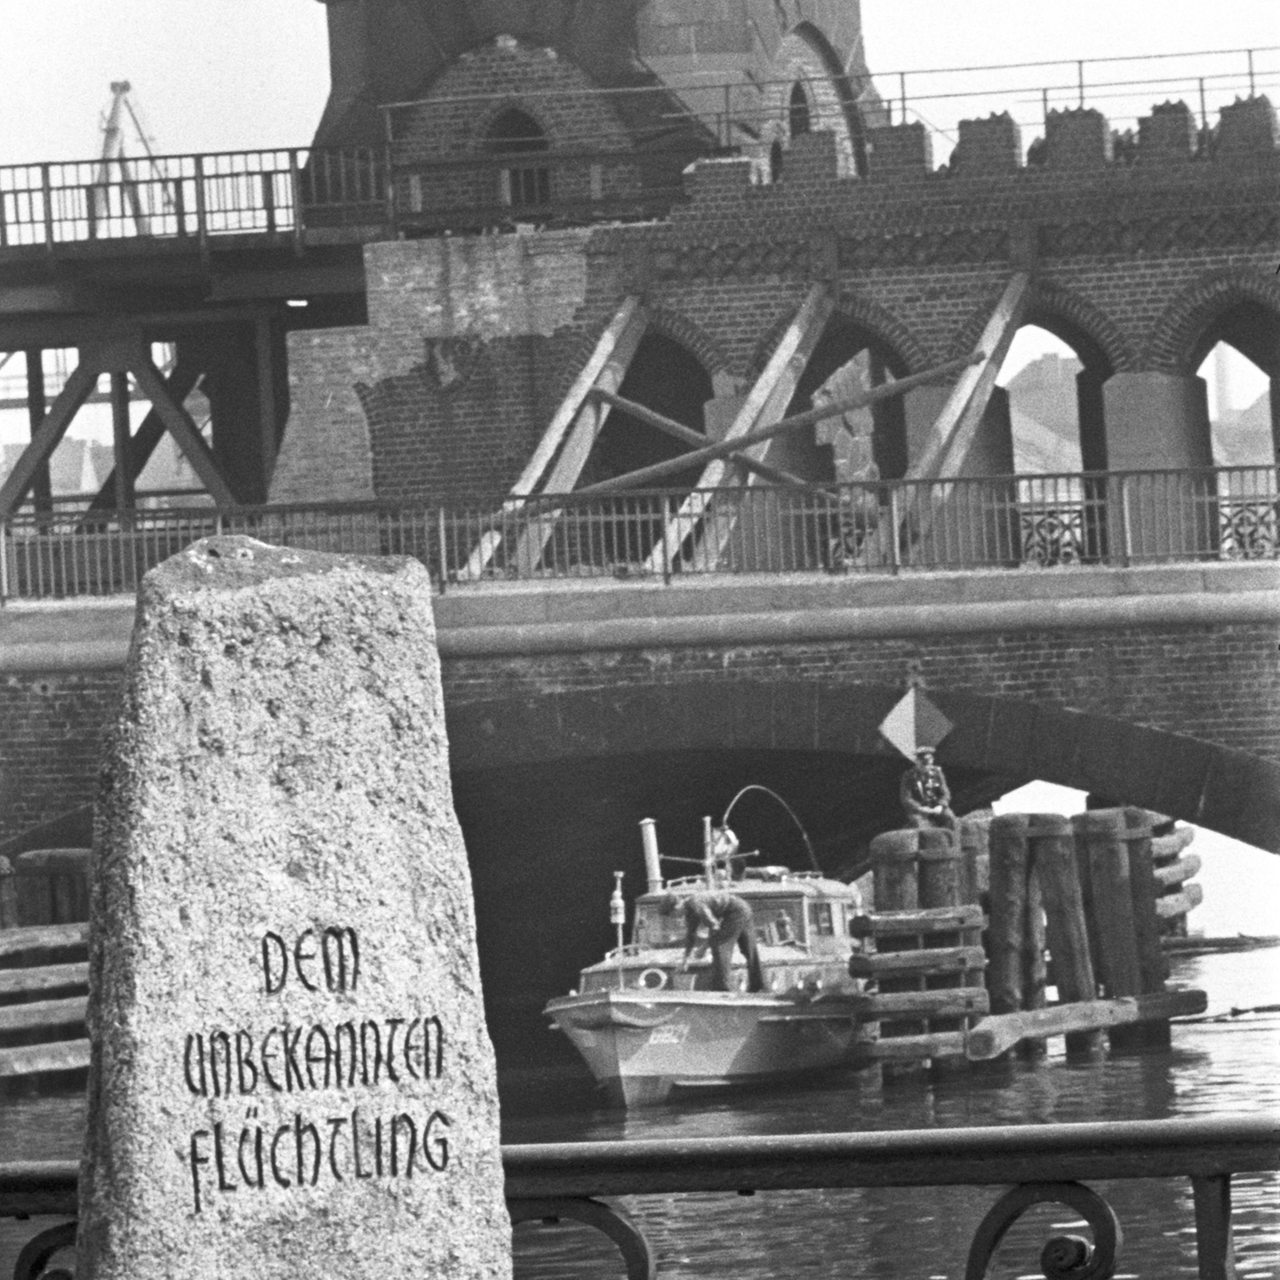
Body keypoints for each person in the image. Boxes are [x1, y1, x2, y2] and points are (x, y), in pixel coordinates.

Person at [667, 890, 765, 992]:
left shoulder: (696, 905)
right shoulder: (689, 910)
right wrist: (685, 960)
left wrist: (703, 948)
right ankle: (758, 985)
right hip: (743, 908)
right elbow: (690, 935)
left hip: (735, 911)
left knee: (720, 947)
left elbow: (714, 927)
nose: (676, 918)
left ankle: (722, 989)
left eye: (673, 915)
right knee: (749, 948)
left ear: (676, 907)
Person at [899, 747, 957, 831]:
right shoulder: (909, 776)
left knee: (950, 818)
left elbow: (945, 792)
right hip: (919, 809)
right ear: (917, 762)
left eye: (928, 764)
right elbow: (906, 798)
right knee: (921, 826)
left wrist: (941, 805)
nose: (926, 767)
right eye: (923, 764)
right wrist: (920, 808)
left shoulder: (937, 772)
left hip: (936, 806)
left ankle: (953, 841)